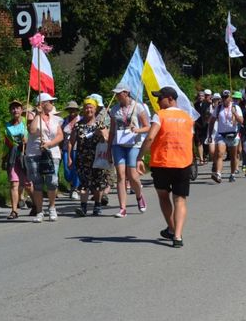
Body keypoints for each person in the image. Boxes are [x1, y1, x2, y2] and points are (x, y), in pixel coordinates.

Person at [136, 87, 194, 248]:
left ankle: (172, 228)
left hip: (162, 162)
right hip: (183, 162)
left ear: (170, 99)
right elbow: (190, 138)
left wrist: (139, 157)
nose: (157, 101)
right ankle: (177, 236)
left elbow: (150, 137)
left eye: (160, 98)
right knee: (180, 199)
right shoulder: (187, 117)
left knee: (163, 196)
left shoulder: (160, 115)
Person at [107, 83, 150, 218]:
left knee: (132, 175)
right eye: (116, 93)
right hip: (118, 144)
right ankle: (122, 208)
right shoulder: (114, 109)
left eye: (119, 93)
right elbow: (112, 130)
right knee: (121, 175)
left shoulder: (138, 106)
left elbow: (147, 126)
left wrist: (137, 130)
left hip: (133, 144)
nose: (116, 96)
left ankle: (139, 195)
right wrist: (108, 148)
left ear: (126, 93)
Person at [26, 93, 64, 223]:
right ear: (42, 104)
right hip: (34, 153)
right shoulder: (32, 116)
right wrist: (38, 114)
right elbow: (32, 131)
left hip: (51, 153)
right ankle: (39, 211)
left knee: (52, 181)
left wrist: (49, 144)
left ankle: (52, 207)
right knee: (37, 183)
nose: (52, 104)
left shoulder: (55, 118)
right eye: (50, 102)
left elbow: (60, 136)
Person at [69, 98, 108, 216]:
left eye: (91, 107)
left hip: (97, 158)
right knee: (84, 183)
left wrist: (101, 134)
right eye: (86, 108)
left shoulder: (100, 124)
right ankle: (83, 207)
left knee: (98, 184)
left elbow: (107, 140)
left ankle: (97, 205)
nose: (88, 110)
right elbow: (71, 142)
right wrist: (69, 157)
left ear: (95, 109)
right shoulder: (78, 125)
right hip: (82, 158)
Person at [208, 90, 243, 183]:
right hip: (221, 134)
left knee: (233, 156)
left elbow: (241, 121)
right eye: (223, 97)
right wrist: (210, 135)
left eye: (226, 97)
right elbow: (212, 121)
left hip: (233, 134)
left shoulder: (236, 107)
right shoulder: (219, 108)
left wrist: (235, 113)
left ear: (230, 98)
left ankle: (232, 174)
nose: (224, 99)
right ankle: (218, 174)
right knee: (220, 153)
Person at [3, 100, 31, 220]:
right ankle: (14, 210)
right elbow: (7, 143)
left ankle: (36, 205)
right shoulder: (7, 126)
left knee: (28, 184)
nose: (15, 110)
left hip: (25, 155)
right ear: (10, 111)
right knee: (14, 183)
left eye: (17, 108)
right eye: (13, 108)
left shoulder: (26, 121)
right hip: (13, 156)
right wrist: (4, 157)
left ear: (21, 110)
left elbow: (34, 133)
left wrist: (27, 138)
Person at [61, 101, 81, 200]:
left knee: (76, 169)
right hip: (65, 148)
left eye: (74, 109)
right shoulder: (64, 121)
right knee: (67, 170)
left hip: (78, 148)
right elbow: (61, 135)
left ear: (77, 110)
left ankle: (75, 189)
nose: (72, 111)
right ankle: (72, 183)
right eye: (70, 109)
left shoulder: (81, 120)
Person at [193, 90, 210, 165]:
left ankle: (205, 155)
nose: (200, 97)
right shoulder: (195, 105)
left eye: (202, 96)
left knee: (206, 143)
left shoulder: (208, 104)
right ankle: (201, 159)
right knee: (199, 142)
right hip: (198, 125)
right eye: (199, 96)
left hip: (206, 126)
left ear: (204, 97)